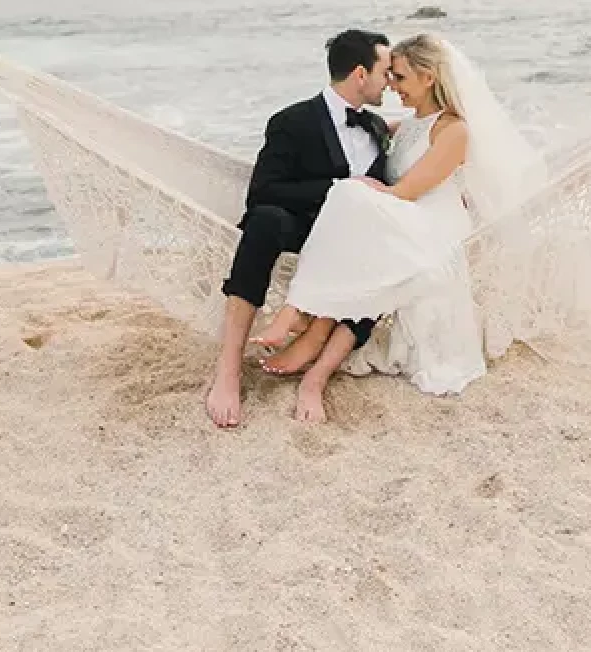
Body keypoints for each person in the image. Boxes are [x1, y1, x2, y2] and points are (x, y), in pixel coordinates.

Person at [260, 33, 540, 423]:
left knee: (347, 199)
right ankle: (313, 346)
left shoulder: (453, 129)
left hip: (433, 226)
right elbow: (358, 137)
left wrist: (354, 187)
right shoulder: (407, 125)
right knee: (354, 227)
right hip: (402, 219)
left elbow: (406, 191)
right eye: (389, 76)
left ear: (428, 77)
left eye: (400, 77)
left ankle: (300, 316)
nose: (392, 86)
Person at [203, 29, 392, 429]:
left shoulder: (375, 126)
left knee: (380, 249)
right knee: (264, 222)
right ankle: (229, 367)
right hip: (301, 229)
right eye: (385, 72)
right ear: (361, 74)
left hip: (355, 241)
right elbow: (264, 191)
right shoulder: (292, 121)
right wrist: (342, 189)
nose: (389, 82)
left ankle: (315, 368)